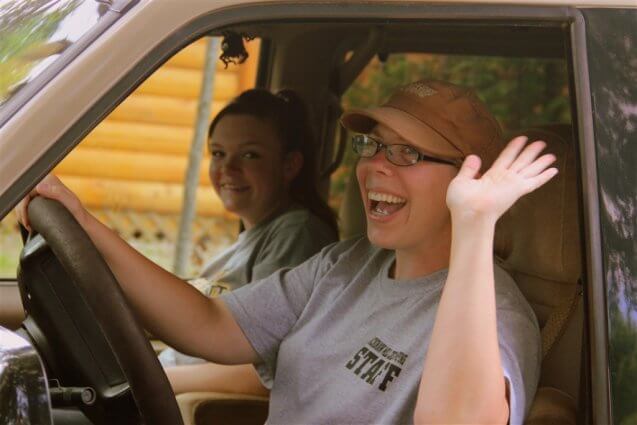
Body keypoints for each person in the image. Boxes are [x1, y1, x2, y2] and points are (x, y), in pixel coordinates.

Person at [18, 79, 555, 424]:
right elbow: (209, 323)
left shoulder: (494, 316)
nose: (374, 167)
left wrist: (475, 224)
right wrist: (87, 225)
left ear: (471, 181)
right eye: (371, 146)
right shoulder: (345, 265)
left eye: (407, 153)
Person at [20, 88, 339, 397]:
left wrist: (155, 383)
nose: (228, 168)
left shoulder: (298, 234)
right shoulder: (241, 246)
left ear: (289, 165)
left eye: (250, 154)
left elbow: (265, 375)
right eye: (218, 153)